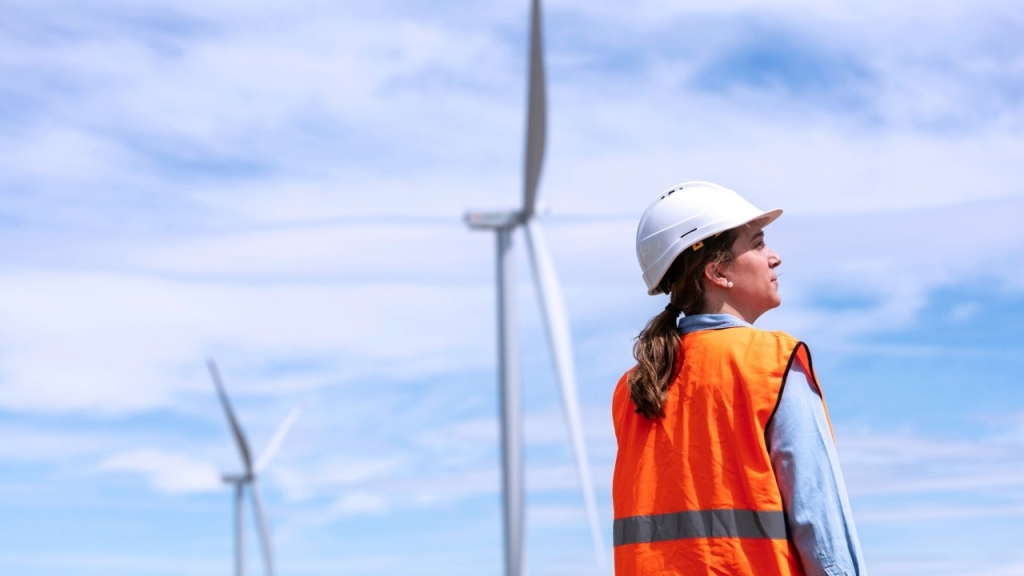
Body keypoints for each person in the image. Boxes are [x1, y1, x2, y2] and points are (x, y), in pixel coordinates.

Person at [612, 181, 865, 576]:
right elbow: (821, 527)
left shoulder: (633, 387)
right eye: (759, 243)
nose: (774, 257)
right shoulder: (771, 363)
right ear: (717, 272)